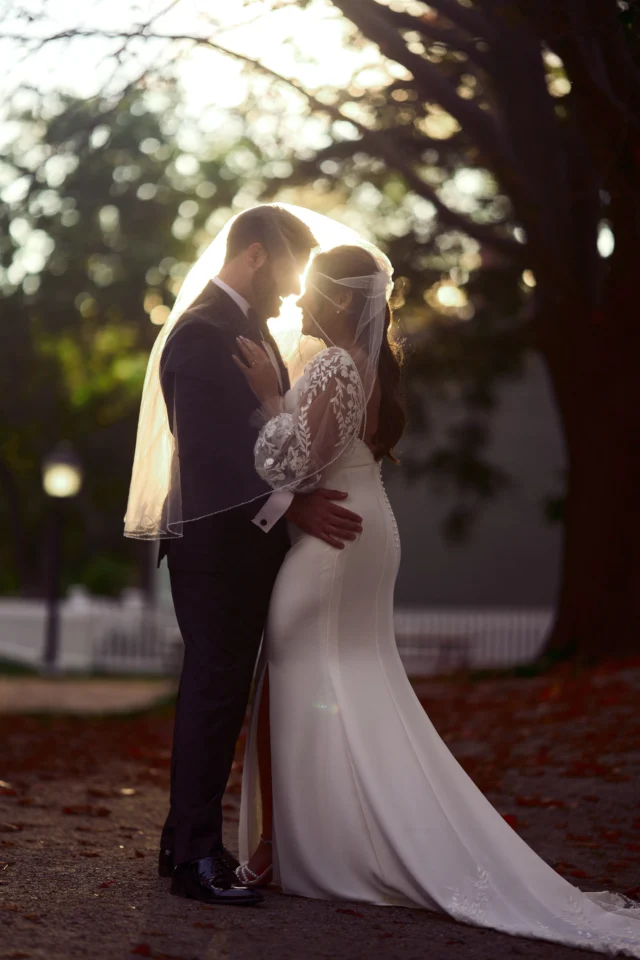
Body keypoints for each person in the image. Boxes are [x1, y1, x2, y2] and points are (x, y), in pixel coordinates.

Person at [234, 240, 640, 956]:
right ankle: (310, 839)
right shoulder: (370, 365)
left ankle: (302, 846)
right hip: (367, 531)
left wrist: (270, 394)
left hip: (332, 542)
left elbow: (293, 462)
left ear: (334, 300)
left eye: (307, 290)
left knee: (296, 671)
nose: (295, 300)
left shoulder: (330, 364)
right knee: (352, 678)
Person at [124, 206, 363, 906]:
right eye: (288, 273)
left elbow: (264, 431)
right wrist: (293, 506)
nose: (294, 293)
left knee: (219, 695)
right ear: (256, 255)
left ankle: (184, 843)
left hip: (237, 546)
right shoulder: (203, 333)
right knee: (214, 693)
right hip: (215, 548)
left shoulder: (245, 327)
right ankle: (198, 858)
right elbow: (208, 455)